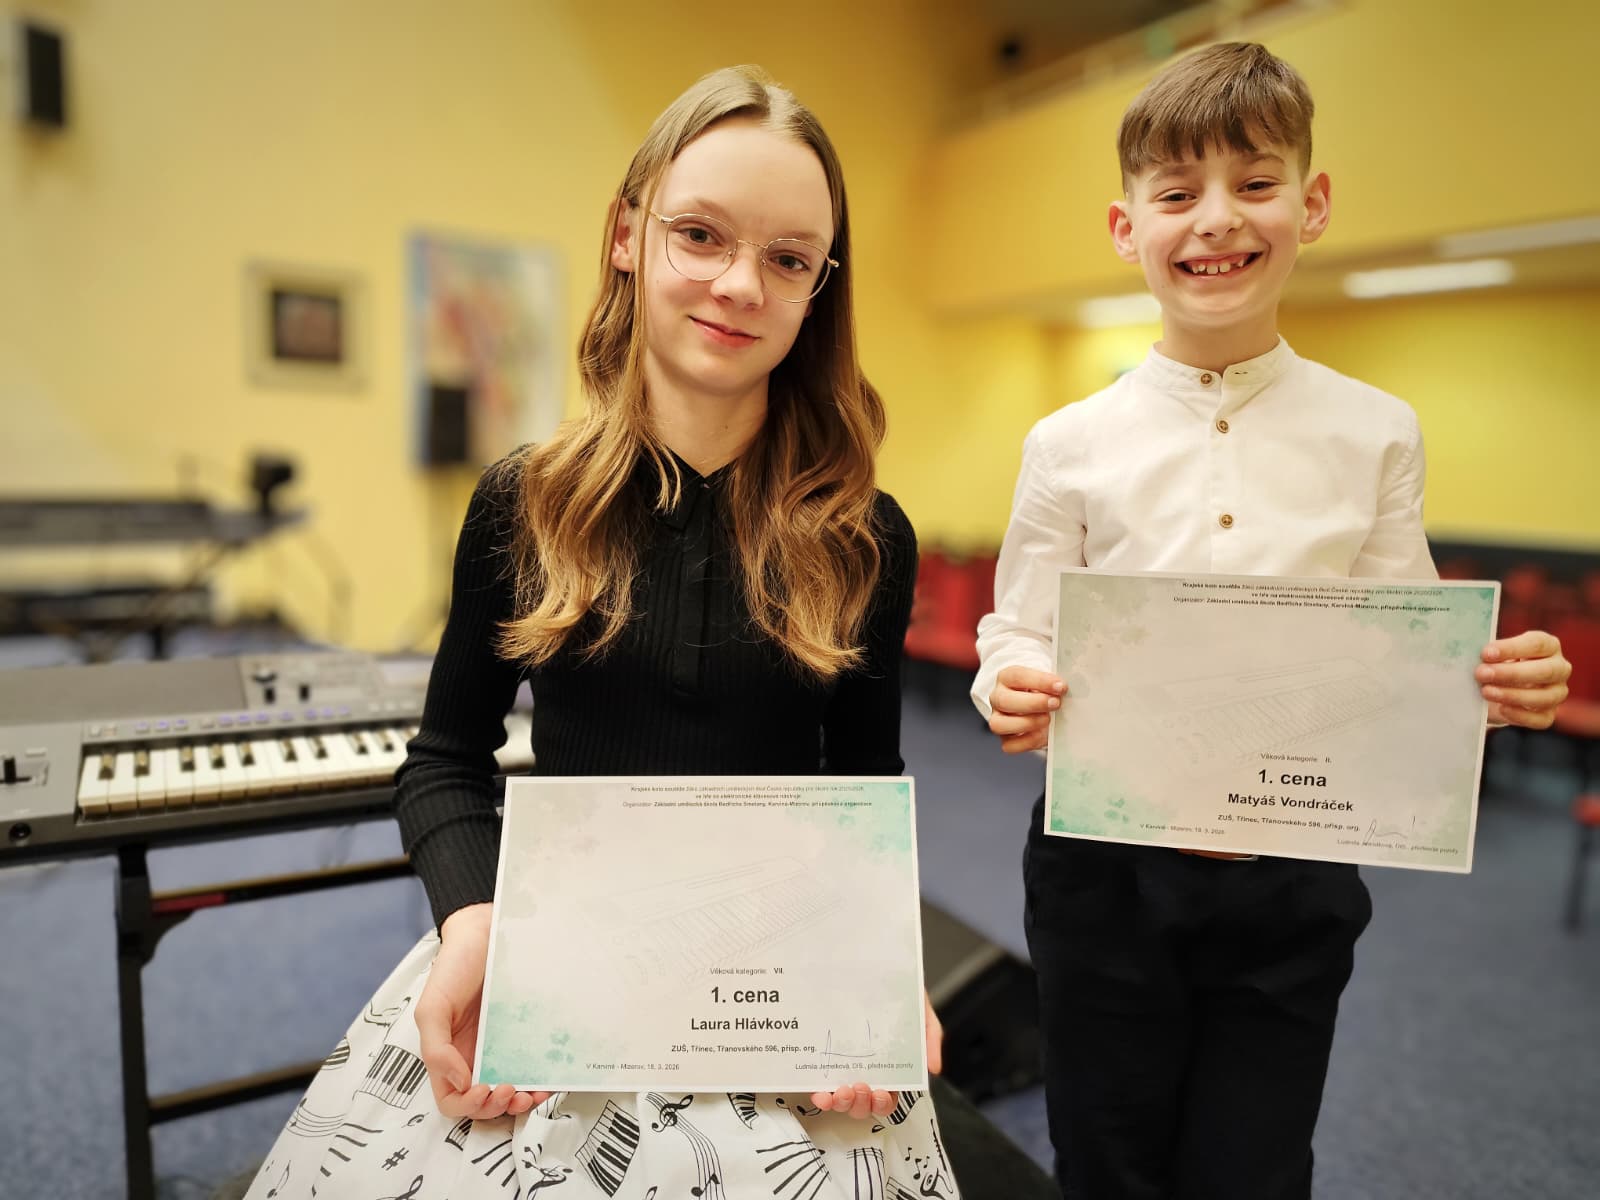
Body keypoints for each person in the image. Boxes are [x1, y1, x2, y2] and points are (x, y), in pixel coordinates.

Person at [245, 65, 960, 1200]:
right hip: (556, 971)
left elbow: (864, 787)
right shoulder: (523, 502)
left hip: (772, 987)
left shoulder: (866, 535)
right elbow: (445, 760)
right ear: (628, 235)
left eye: (788, 259)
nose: (740, 285)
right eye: (700, 236)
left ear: (820, 288)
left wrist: (877, 966)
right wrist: (472, 921)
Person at [971, 42, 1572, 1200]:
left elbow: (1408, 648)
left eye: (1253, 183)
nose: (1215, 220)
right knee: (1105, 1160)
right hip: (1104, 869)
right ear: (1125, 227)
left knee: (1253, 1170)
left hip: (1293, 869)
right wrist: (1009, 679)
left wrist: (1496, 686)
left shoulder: (1376, 431)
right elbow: (1018, 629)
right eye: (1175, 193)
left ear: (1312, 204)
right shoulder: (1067, 443)